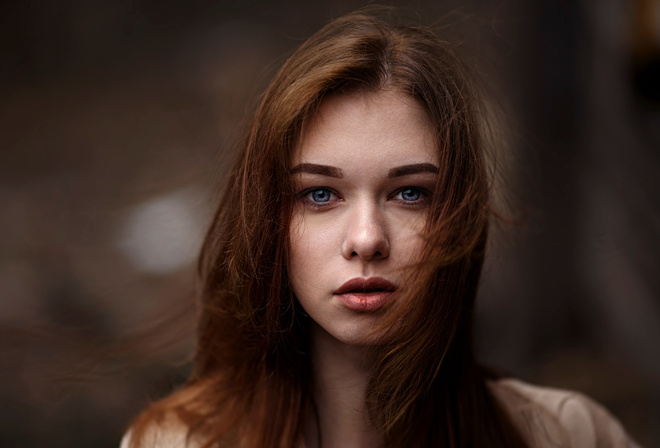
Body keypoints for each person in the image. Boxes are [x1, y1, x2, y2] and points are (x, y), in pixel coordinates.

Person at [121, 9, 641, 448]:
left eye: (410, 194)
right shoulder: (173, 443)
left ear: (458, 216)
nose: (367, 239)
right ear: (269, 223)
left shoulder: (570, 434)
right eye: (320, 194)